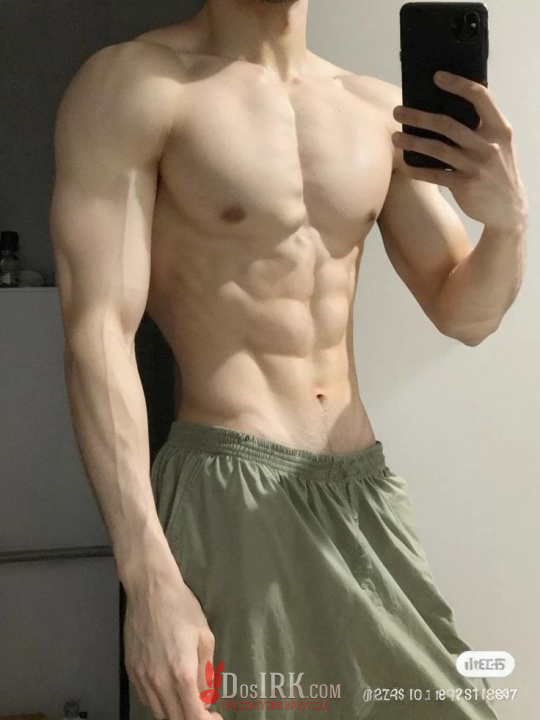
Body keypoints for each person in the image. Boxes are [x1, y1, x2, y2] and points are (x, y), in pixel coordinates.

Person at [49, 0, 528, 718]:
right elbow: (98, 332)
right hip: (229, 491)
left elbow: (468, 314)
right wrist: (148, 578)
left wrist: (508, 222)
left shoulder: (375, 110)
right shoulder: (138, 84)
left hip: (362, 490)